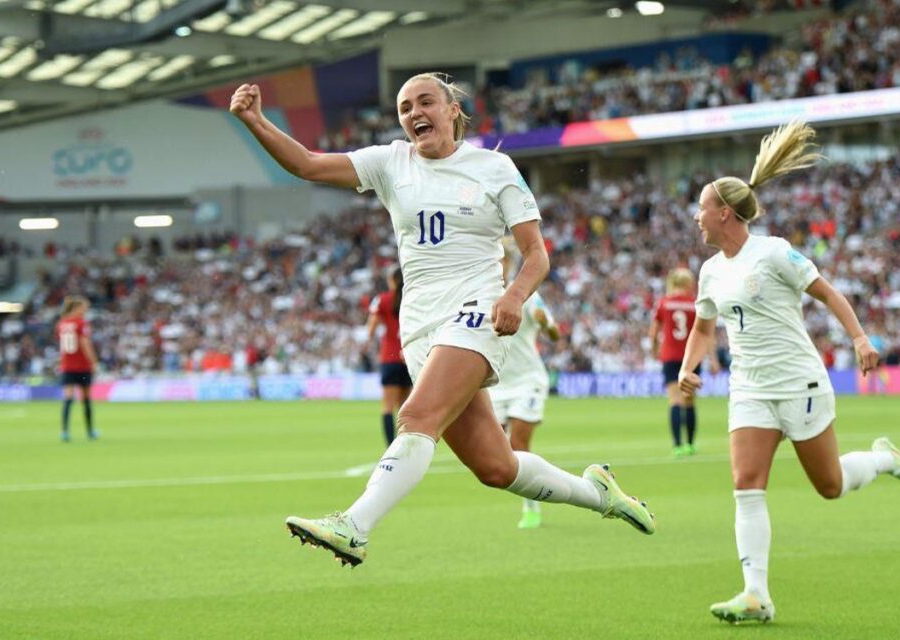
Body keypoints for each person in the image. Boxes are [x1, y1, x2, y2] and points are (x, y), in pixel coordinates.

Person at [230, 71, 655, 567]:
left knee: (415, 417)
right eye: (405, 108)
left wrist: (515, 295)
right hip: (420, 326)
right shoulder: (391, 162)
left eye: (425, 102)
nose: (414, 114)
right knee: (496, 467)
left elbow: (536, 253)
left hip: (474, 309)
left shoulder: (494, 167)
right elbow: (307, 164)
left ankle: (354, 526)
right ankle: (599, 494)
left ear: (452, 109)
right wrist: (255, 121)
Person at [677, 121, 900, 624]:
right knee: (746, 484)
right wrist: (688, 368)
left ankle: (883, 460)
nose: (696, 217)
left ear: (724, 213)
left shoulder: (773, 253)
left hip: (799, 383)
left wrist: (859, 338)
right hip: (749, 388)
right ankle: (756, 594)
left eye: (702, 207)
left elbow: (829, 292)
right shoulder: (710, 271)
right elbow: (704, 329)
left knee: (830, 485)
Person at [489, 247, 561, 529]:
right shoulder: (480, 293)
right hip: (496, 386)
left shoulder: (527, 296)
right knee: (498, 453)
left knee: (519, 444)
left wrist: (546, 325)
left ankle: (532, 506)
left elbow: (554, 334)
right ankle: (537, 491)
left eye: (502, 259)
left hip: (528, 381)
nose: (498, 264)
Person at [648, 267, 718, 457]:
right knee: (690, 401)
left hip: (670, 356)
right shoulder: (695, 304)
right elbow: (706, 334)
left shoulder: (664, 303)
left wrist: (655, 350)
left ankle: (678, 445)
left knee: (674, 400)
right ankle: (690, 444)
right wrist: (713, 359)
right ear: (688, 283)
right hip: (692, 356)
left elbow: (653, 332)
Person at [367, 267, 412, 445]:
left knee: (387, 406)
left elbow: (370, 330)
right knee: (405, 407)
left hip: (390, 357)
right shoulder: (412, 297)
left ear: (392, 280)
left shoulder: (383, 300)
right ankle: (405, 446)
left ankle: (391, 448)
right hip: (408, 356)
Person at [56, 295, 99, 442]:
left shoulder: (62, 323)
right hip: (82, 367)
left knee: (68, 398)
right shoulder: (81, 323)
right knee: (86, 398)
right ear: (77, 308)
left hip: (67, 366)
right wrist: (94, 362)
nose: (86, 310)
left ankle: (65, 432)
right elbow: (85, 343)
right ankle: (90, 431)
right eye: (84, 308)